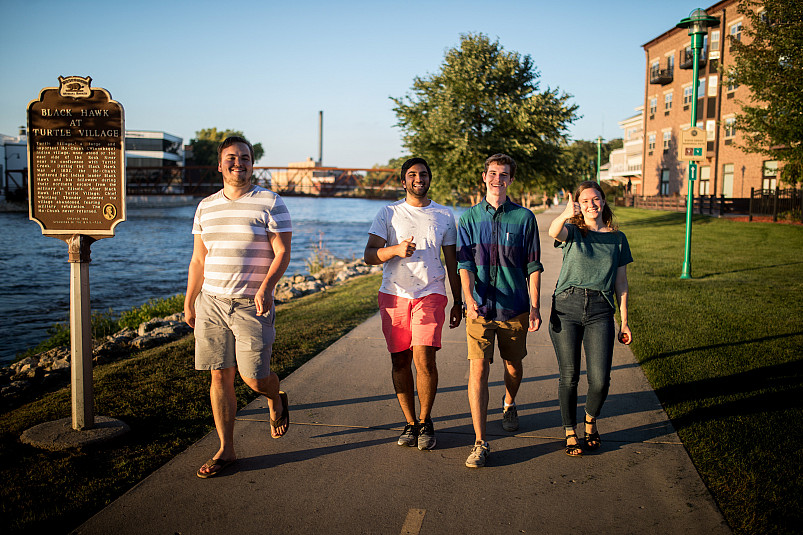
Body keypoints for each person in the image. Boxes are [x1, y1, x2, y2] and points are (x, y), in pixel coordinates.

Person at [185, 136, 293, 478]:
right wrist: (190, 301)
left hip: (251, 305)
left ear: (252, 164)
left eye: (244, 158)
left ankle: (275, 397)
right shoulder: (205, 207)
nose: (238, 163)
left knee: (255, 379)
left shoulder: (270, 202)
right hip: (211, 303)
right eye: (231, 158)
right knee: (220, 374)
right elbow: (199, 260)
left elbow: (282, 253)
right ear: (220, 165)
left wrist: (267, 287)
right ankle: (226, 449)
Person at [364, 157, 462, 451]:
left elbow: (452, 261)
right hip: (394, 294)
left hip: (431, 293)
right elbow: (369, 254)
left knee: (424, 359)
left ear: (430, 179)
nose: (418, 178)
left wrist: (458, 301)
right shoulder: (388, 212)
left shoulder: (444, 214)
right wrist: (394, 250)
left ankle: (425, 420)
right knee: (400, 361)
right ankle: (409, 422)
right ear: (403, 181)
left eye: (423, 174)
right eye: (412, 174)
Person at [457, 153, 543, 468]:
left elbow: (533, 264)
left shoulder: (525, 218)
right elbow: (464, 264)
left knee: (513, 365)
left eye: (504, 174)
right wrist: (468, 297)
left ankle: (509, 403)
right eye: (493, 173)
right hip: (479, 308)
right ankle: (480, 442)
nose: (498, 179)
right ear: (484, 177)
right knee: (478, 369)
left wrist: (535, 306)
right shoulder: (468, 219)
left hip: (515, 307)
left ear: (510, 179)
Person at [547, 180, 633, 457]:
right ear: (579, 205)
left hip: (600, 310)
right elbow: (553, 231)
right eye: (585, 201)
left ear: (603, 201)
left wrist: (625, 320)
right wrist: (565, 212)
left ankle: (590, 421)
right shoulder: (572, 231)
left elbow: (621, 282)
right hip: (567, 305)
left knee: (600, 380)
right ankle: (570, 430)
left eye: (595, 199)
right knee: (569, 376)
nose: (591, 205)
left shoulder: (617, 239)